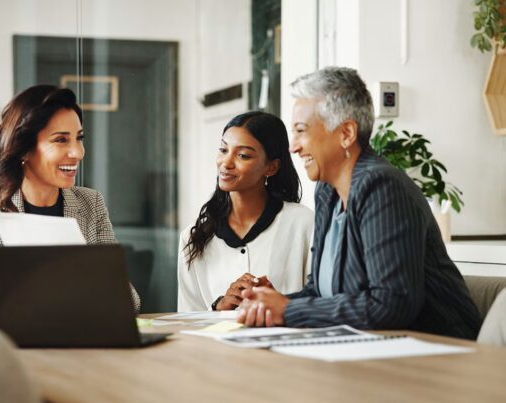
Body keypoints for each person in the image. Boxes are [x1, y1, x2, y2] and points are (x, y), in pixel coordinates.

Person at [237, 67, 482, 339]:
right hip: (372, 350)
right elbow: (319, 292)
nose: (293, 146)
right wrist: (271, 303)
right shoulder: (327, 192)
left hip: (443, 355)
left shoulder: (381, 186)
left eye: (301, 131)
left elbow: (391, 304)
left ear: (346, 134)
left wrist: (289, 310)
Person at [0, 85, 140, 325]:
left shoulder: (90, 203)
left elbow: (129, 299)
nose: (77, 152)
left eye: (79, 138)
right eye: (61, 140)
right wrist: (9, 306)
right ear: (24, 149)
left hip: (78, 346)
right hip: (8, 350)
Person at [177, 111, 314, 312]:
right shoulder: (192, 237)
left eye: (243, 155)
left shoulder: (305, 223)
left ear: (271, 167)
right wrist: (219, 309)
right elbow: (186, 321)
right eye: (223, 150)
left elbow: (322, 303)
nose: (226, 163)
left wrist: (281, 303)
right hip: (216, 344)